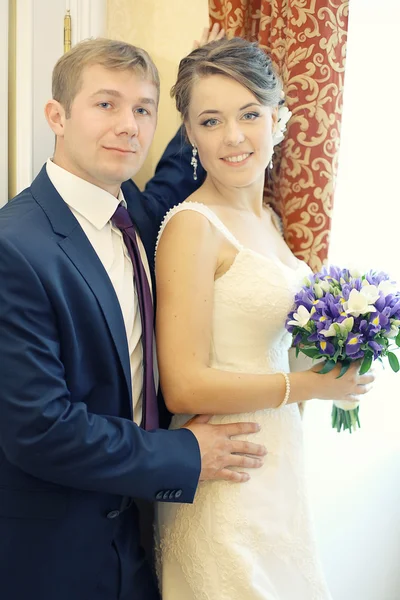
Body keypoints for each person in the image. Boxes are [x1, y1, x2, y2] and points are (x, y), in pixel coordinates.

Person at [0, 34, 268, 600]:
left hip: (143, 541)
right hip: (53, 555)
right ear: (57, 115)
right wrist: (186, 453)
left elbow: (182, 166)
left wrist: (204, 79)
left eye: (142, 109)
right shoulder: (14, 246)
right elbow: (39, 431)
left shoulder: (143, 218)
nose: (128, 125)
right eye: (105, 104)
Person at [155, 37, 376, 600]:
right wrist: (312, 384)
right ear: (190, 135)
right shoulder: (193, 226)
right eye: (211, 120)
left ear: (279, 118)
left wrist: (344, 350)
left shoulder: (273, 222)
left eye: (249, 113)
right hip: (226, 483)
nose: (233, 136)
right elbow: (181, 386)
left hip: (279, 475)